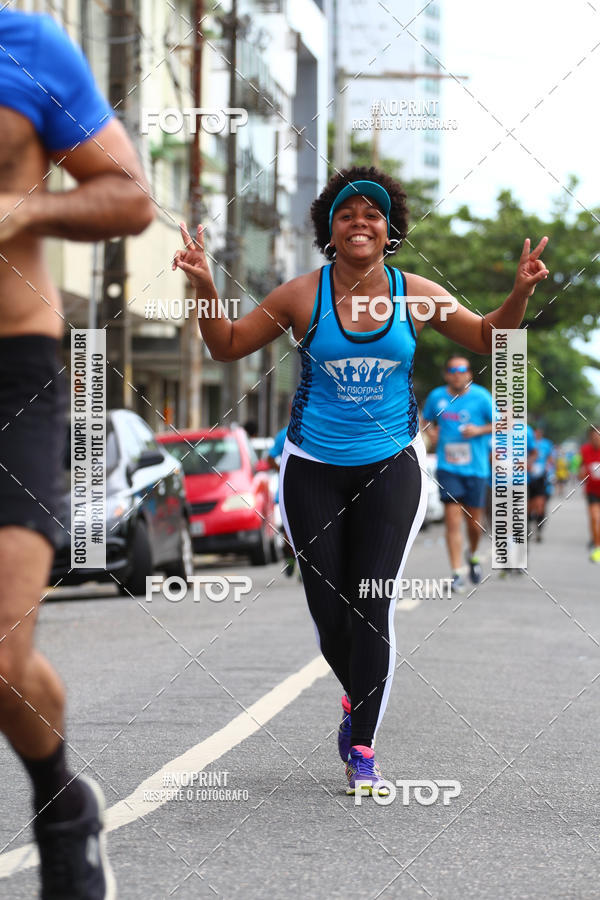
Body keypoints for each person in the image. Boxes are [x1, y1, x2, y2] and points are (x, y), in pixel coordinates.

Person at [172, 165, 549, 796]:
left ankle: (364, 745)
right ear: (330, 228)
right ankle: (356, 695)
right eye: (347, 213)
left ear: (389, 230)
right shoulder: (301, 295)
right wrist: (206, 284)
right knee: (330, 612)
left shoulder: (417, 294)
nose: (360, 222)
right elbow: (229, 344)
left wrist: (519, 296)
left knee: (372, 603)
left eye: (372, 214)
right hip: (311, 466)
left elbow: (489, 336)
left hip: (389, 464)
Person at [0, 8, 154, 898]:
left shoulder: (29, 46)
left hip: (9, 372)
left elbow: (130, 194)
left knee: (3, 651)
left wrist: (18, 209)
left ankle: (62, 810)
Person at [422, 357, 495, 592]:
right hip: (448, 467)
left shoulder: (481, 397)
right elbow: (425, 421)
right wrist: (430, 433)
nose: (457, 374)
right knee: (452, 519)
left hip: (476, 468)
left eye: (461, 370)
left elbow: (502, 424)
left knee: (473, 524)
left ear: (469, 374)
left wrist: (479, 430)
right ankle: (456, 573)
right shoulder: (437, 397)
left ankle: (472, 555)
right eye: (452, 370)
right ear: (446, 375)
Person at [267, 423, 296, 577]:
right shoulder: (286, 433)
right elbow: (269, 458)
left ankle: (306, 566)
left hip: (315, 487)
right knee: (289, 530)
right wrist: (285, 470)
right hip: (288, 488)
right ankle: (290, 556)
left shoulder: (321, 428)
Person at [528, 425, 554, 542]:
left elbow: (550, 459)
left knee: (540, 506)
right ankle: (527, 528)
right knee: (528, 507)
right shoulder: (526, 442)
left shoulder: (546, 444)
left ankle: (539, 530)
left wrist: (548, 469)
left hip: (541, 478)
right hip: (528, 478)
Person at [579, 425, 600, 563]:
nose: (596, 439)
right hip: (592, 490)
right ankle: (597, 548)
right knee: (594, 517)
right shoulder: (585, 450)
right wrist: (582, 474)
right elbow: (581, 469)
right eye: (593, 437)